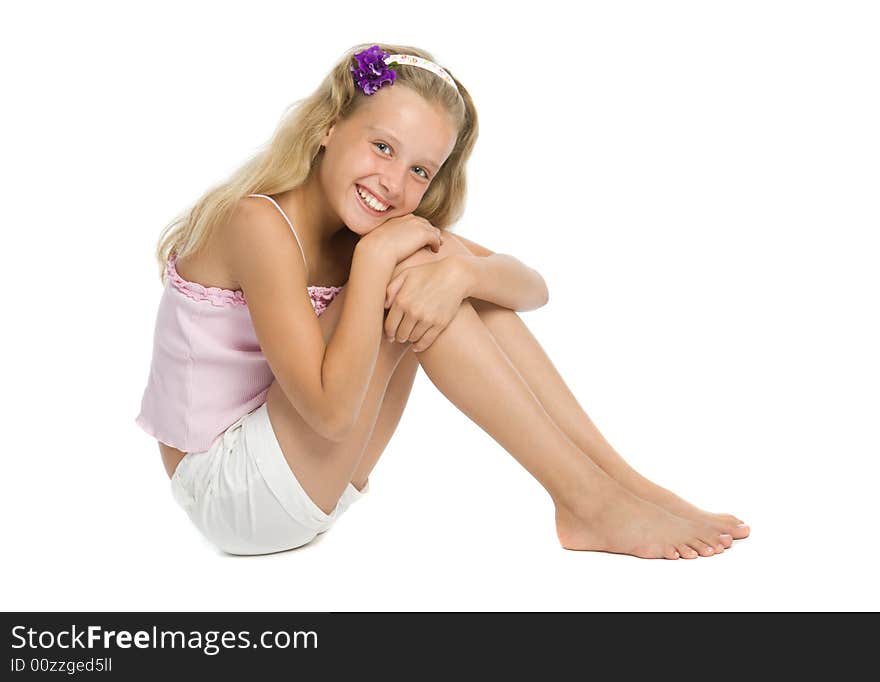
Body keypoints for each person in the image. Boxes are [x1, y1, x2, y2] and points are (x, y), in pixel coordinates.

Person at [135, 43, 750, 558]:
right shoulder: (257, 222)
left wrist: (463, 276)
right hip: (230, 490)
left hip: (313, 480)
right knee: (419, 278)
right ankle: (587, 503)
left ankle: (623, 486)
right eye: (382, 147)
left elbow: (532, 287)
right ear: (327, 128)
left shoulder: (376, 228)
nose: (394, 184)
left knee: (441, 279)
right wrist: (378, 264)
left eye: (421, 172)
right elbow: (327, 414)